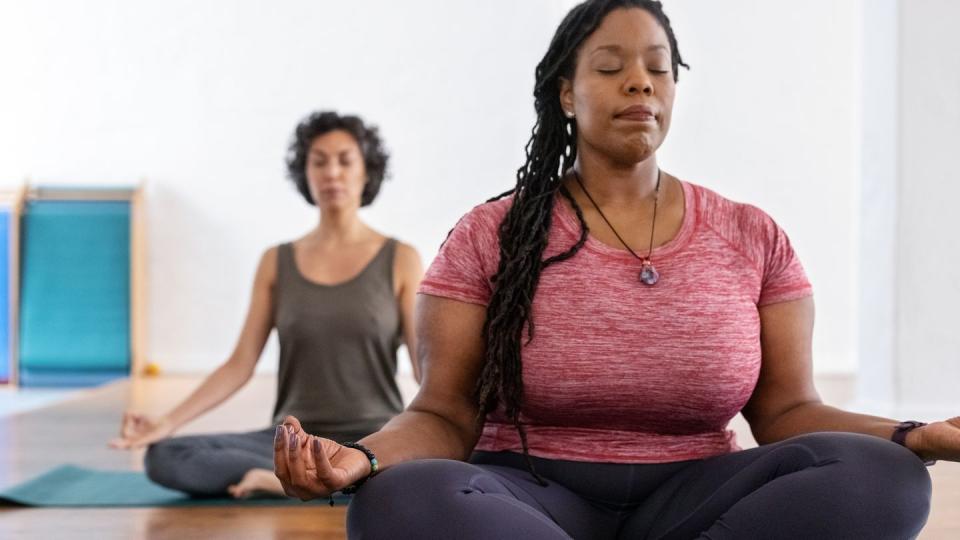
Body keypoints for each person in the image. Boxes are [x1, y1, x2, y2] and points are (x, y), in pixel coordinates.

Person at [274, 2, 957, 538]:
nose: (640, 81)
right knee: (398, 502)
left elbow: (786, 411)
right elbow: (443, 412)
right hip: (528, 499)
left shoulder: (752, 235)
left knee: (888, 479)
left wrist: (910, 435)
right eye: (609, 66)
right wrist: (363, 459)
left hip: (701, 496)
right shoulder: (489, 235)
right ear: (566, 95)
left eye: (658, 67)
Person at [110, 111, 422, 499]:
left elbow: (427, 369)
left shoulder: (401, 259)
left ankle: (315, 479)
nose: (332, 173)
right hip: (291, 443)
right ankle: (300, 478)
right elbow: (239, 364)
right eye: (319, 161)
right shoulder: (276, 261)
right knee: (166, 456)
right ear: (304, 173)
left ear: (367, 171)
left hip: (372, 439)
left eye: (345, 160)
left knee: (431, 462)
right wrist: (165, 423)